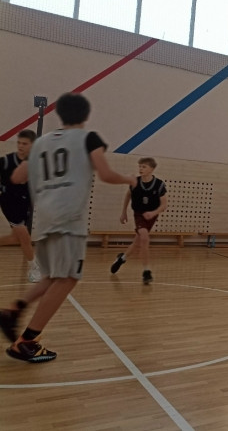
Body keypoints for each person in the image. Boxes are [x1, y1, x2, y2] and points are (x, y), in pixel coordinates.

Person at [0, 93, 135, 362]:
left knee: (52, 276)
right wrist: (129, 179)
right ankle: (26, 341)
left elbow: (17, 176)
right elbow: (106, 174)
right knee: (68, 278)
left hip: (44, 220)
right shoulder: (88, 138)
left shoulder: (42, 142)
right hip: (68, 220)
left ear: (60, 115)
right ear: (86, 115)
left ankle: (13, 311)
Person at [110, 157, 167, 284]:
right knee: (145, 238)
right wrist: (124, 212)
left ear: (152, 169)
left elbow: (164, 205)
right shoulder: (134, 182)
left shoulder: (159, 185)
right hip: (139, 214)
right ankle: (146, 272)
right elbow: (128, 195)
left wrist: (153, 213)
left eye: (144, 166)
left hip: (151, 215)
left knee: (137, 242)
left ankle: (122, 258)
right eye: (140, 166)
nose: (140, 169)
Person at [0, 130, 41, 282]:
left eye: (24, 143)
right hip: (9, 203)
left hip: (24, 204)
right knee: (25, 238)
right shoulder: (7, 161)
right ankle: (34, 268)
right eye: (19, 143)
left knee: (15, 238)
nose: (20, 146)